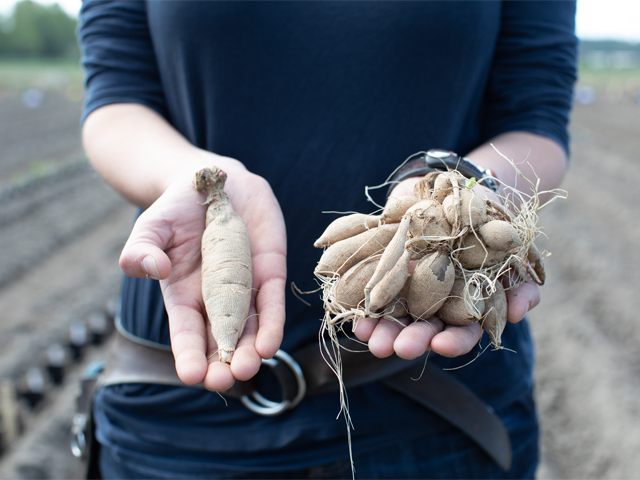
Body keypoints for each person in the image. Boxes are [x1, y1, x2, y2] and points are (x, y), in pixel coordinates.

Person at [77, 1, 577, 478]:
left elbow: (535, 117)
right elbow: (115, 103)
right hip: (177, 420)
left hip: (436, 413)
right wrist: (199, 178)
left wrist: (449, 190)